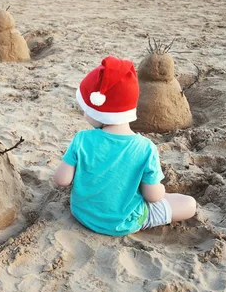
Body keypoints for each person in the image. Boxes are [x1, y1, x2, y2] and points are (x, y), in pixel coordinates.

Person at [54, 56, 196, 236]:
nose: (84, 114)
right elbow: (152, 196)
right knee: (189, 204)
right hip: (125, 221)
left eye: (87, 109)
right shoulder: (146, 148)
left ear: (100, 111)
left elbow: (62, 180)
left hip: (83, 214)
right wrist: (161, 191)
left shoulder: (82, 139)